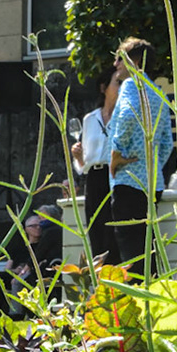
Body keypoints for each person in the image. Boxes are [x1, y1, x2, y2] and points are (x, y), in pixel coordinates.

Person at [103, 39, 175, 274]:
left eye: (119, 58)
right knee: (148, 246)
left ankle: (136, 302)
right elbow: (166, 143)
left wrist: (116, 153)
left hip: (128, 180)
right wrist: (152, 165)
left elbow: (126, 116)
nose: (116, 64)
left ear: (133, 62)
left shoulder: (132, 86)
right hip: (152, 183)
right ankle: (151, 298)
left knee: (130, 250)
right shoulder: (158, 93)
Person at [72, 65, 124, 266]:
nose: (120, 87)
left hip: (116, 174)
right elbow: (84, 164)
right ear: (104, 88)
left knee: (114, 230)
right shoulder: (90, 119)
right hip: (94, 178)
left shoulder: (125, 116)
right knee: (96, 229)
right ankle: (100, 278)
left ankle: (117, 277)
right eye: (116, 83)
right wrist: (77, 158)